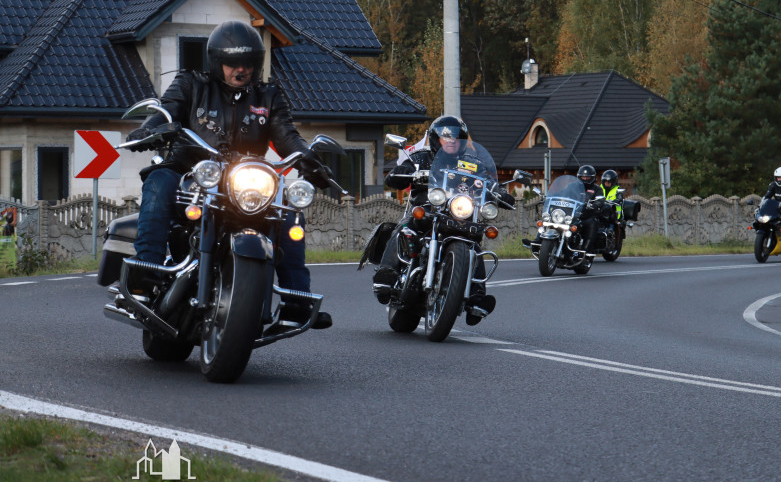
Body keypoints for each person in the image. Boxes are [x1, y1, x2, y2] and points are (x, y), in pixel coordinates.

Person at [125, 19, 333, 329]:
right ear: (216, 62)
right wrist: (148, 129)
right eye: (232, 62)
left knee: (290, 218)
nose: (241, 69)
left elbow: (287, 135)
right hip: (191, 168)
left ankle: (296, 301)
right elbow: (167, 112)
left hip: (246, 181)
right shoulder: (191, 85)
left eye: (248, 62)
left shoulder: (268, 96)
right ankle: (147, 276)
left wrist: (308, 157)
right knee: (157, 186)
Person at [372, 115, 512, 319]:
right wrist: (403, 172)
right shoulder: (420, 158)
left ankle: (476, 295)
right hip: (428, 210)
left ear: (462, 141)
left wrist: (500, 192)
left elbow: (489, 182)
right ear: (436, 139)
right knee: (405, 227)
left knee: (474, 246)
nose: (451, 141)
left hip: (460, 215)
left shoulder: (473, 164)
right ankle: (387, 274)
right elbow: (396, 177)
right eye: (445, 137)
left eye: (456, 137)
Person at [576, 165, 604, 252]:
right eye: (583, 177)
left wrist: (595, 204)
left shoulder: (597, 189)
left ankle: (586, 249)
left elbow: (600, 200)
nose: (584, 179)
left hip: (588, 215)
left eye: (587, 177)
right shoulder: (574, 186)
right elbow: (563, 193)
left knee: (592, 222)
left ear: (592, 178)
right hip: (574, 214)